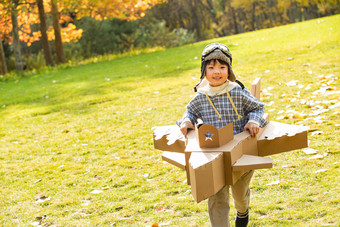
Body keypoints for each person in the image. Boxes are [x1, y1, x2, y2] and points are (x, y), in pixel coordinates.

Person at [177, 43, 267, 227]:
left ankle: (243, 212)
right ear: (204, 72)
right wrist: (186, 121)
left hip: (240, 153)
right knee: (217, 196)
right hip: (213, 154)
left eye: (222, 67)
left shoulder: (237, 92)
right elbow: (189, 113)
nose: (216, 71)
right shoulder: (201, 97)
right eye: (211, 67)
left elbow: (258, 108)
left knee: (239, 193)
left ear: (229, 70)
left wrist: (254, 121)